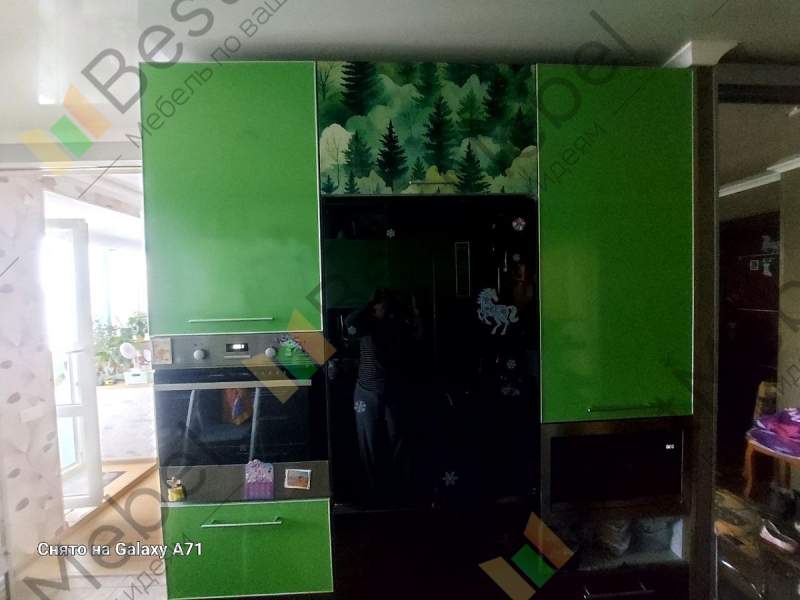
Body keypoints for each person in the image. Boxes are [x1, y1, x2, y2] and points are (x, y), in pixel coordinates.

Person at [345, 288, 421, 503]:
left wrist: (415, 311)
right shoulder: (365, 325)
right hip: (366, 392)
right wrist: (369, 303)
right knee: (368, 440)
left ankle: (401, 487)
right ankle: (373, 488)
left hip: (392, 391)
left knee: (398, 437)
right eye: (380, 304)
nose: (382, 307)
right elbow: (349, 322)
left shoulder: (397, 325)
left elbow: (418, 335)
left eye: (385, 304)